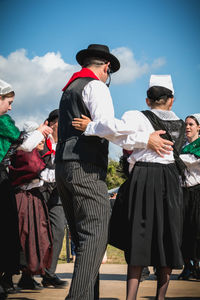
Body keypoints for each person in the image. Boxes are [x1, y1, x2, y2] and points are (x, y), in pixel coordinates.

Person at [55, 44, 174, 300]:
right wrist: (146, 140)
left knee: (84, 240)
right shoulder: (96, 86)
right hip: (85, 167)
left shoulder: (68, 90)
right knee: (96, 236)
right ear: (106, 67)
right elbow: (108, 126)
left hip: (63, 167)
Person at [72, 74, 185, 300]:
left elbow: (117, 130)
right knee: (167, 237)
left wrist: (90, 126)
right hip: (171, 181)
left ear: (147, 100)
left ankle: (130, 297)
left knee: (139, 237)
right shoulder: (181, 124)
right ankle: (160, 298)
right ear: (171, 100)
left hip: (144, 178)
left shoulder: (136, 116)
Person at [0, 79, 52, 298]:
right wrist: (40, 131)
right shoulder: (3, 121)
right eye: (8, 102)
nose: (10, 107)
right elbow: (25, 144)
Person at [39, 109, 68, 288]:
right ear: (50, 123)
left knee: (58, 230)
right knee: (34, 231)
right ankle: (24, 273)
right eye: (59, 121)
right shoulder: (41, 140)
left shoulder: (66, 144)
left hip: (58, 192)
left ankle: (49, 274)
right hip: (38, 190)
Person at [178, 114, 200, 280]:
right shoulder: (181, 145)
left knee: (197, 229)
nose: (187, 127)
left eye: (191, 124)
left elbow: (189, 161)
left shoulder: (198, 146)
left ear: (199, 127)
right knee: (183, 230)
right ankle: (187, 266)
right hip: (183, 192)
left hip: (197, 191)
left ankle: (197, 265)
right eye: (186, 124)